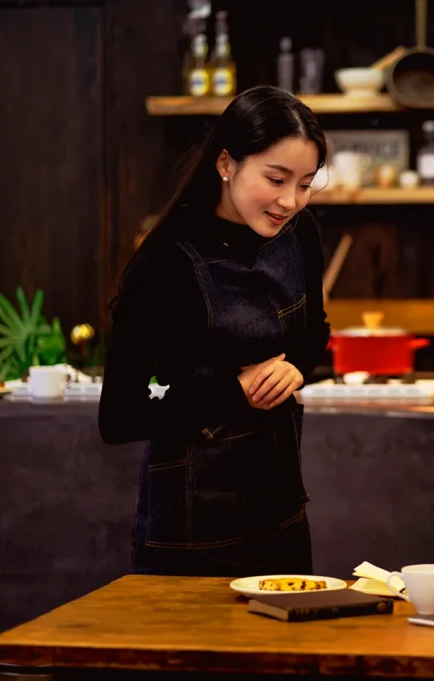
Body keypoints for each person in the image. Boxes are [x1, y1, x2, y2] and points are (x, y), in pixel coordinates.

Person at [99, 86, 330, 577]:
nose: (290, 201)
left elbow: (315, 335)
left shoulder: (300, 235)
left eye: (306, 183)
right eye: (276, 178)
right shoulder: (164, 262)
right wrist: (235, 391)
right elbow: (120, 413)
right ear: (226, 163)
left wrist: (293, 370)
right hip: (189, 532)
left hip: (282, 514)